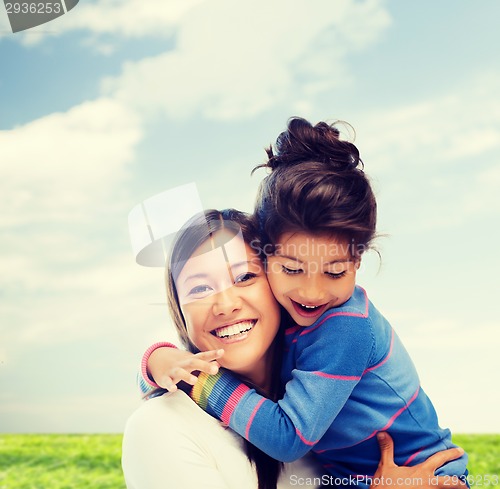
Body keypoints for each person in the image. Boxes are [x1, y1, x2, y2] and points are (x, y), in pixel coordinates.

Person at [139, 118, 468, 488]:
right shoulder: (285, 320)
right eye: (292, 269)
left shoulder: (345, 327)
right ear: (267, 257)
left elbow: (287, 438)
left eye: (335, 272)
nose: (312, 294)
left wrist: (200, 381)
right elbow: (172, 373)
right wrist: (159, 360)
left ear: (358, 262)